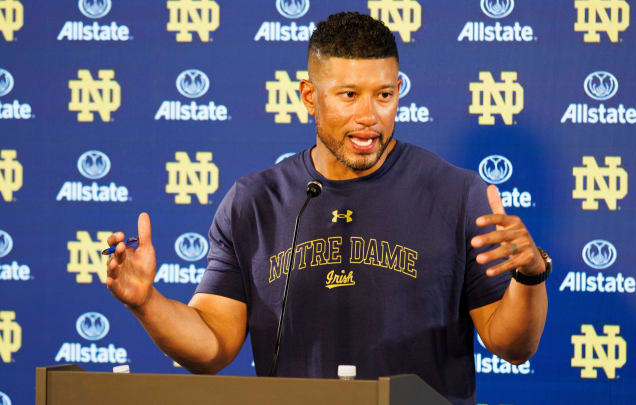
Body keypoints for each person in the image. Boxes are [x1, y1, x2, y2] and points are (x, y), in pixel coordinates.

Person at [105, 12, 548, 405]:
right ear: (309, 96)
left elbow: (511, 344)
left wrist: (529, 277)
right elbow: (212, 344)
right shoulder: (254, 203)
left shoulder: (458, 194)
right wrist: (147, 303)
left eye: (384, 95)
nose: (369, 116)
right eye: (349, 95)